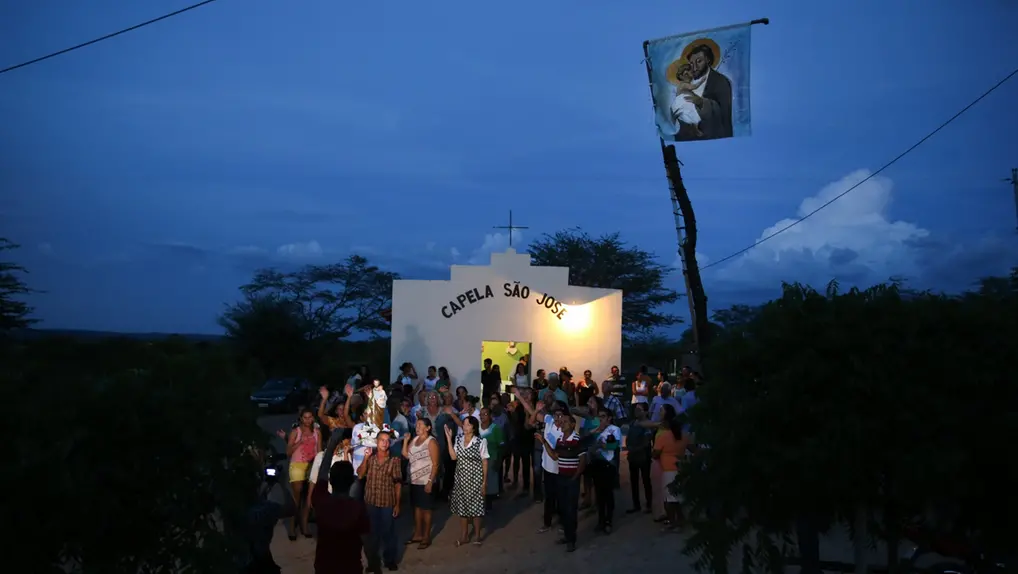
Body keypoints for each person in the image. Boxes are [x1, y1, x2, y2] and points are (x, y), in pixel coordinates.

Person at [536, 408, 586, 552]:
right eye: (561, 421)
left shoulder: (577, 440)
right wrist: (544, 441)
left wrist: (575, 477)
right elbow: (555, 456)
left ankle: (571, 539)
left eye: (565, 422)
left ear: (572, 424)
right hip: (561, 477)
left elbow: (582, 460)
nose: (562, 424)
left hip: (571, 479)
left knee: (570, 509)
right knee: (564, 509)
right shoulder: (560, 440)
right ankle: (568, 535)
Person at [312, 459, 372, 574]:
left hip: (324, 567)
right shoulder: (357, 508)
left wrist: (331, 446)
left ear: (331, 480)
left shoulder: (321, 501)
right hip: (350, 568)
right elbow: (367, 542)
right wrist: (374, 563)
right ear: (351, 481)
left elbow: (322, 476)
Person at [356, 430, 402, 571]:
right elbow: (360, 474)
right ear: (376, 441)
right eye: (382, 440)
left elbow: (398, 483)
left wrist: (397, 504)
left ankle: (389, 560)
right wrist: (365, 458)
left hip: (387, 502)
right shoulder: (370, 458)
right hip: (370, 501)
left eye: (387, 440)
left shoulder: (395, 460)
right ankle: (373, 562)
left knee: (388, 533)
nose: (385, 443)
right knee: (371, 535)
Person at [672, 41, 733, 141]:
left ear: (708, 60)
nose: (694, 67)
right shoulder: (688, 80)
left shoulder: (720, 82)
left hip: (713, 138)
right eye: (691, 63)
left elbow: (724, 115)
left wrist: (702, 103)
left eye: (699, 61)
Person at [276, 408, 321, 540]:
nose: (308, 420)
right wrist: (299, 443)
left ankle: (304, 525)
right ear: (301, 418)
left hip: (312, 466)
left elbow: (319, 452)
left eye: (310, 417)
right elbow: (288, 452)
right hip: (297, 466)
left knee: (308, 498)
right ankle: (291, 527)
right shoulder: (296, 432)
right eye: (305, 417)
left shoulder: (317, 432)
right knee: (296, 499)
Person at [445, 416, 490, 546]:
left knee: (476, 508)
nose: (465, 427)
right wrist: (449, 439)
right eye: (464, 424)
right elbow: (453, 457)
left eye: (468, 425)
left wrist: (484, 482)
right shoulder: (458, 439)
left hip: (476, 479)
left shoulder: (480, 442)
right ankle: (464, 536)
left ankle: (477, 535)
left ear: (474, 427)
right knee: (462, 508)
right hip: (461, 479)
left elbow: (484, 461)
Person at [402, 417, 440, 549]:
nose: (417, 427)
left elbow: (435, 464)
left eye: (420, 425)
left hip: (425, 480)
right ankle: (418, 534)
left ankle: (426, 536)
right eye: (417, 425)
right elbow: (406, 455)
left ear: (428, 428)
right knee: (417, 508)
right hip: (414, 480)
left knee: (426, 509)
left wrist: (430, 481)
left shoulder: (431, 442)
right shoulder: (414, 440)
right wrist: (406, 441)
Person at [590, 407, 621, 533]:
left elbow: (613, 446)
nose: (600, 419)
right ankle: (601, 520)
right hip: (597, 464)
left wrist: (600, 445)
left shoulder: (615, 430)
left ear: (609, 418)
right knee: (599, 494)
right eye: (599, 416)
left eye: (603, 416)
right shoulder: (597, 430)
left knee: (608, 494)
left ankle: (608, 520)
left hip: (608, 464)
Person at [625, 403, 653, 514]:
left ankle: (649, 504)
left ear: (646, 412)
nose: (637, 411)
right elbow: (628, 438)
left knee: (646, 480)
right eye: (636, 409)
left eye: (639, 409)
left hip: (643, 456)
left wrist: (634, 449)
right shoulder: (633, 423)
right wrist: (629, 448)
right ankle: (636, 504)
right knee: (634, 481)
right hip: (633, 456)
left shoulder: (647, 425)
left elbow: (646, 442)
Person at [478, 407, 505, 510]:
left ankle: (488, 505)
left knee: (489, 483)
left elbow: (502, 446)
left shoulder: (495, 428)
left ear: (490, 416)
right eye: (481, 414)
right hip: (478, 459)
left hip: (491, 458)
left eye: (485, 414)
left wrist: (498, 461)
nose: (482, 416)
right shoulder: (477, 428)